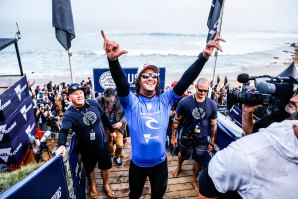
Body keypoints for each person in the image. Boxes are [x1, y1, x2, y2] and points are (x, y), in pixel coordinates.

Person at [101, 29, 224, 199]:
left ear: (157, 80)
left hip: (160, 164)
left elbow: (185, 80)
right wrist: (113, 61)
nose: (150, 78)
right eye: (145, 75)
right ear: (138, 80)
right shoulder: (131, 102)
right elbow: (121, 84)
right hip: (137, 165)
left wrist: (203, 56)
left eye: (154, 75)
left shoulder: (165, 100)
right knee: (134, 196)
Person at [198, 92, 298, 199]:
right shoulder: (244, 154)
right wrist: (246, 113)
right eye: (296, 93)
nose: (293, 100)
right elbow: (251, 132)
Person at [55, 83, 116, 198]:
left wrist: (112, 130)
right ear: (69, 97)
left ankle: (106, 185)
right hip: (86, 148)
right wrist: (62, 145)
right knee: (89, 169)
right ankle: (93, 186)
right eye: (75, 94)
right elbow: (64, 131)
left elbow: (103, 117)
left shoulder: (94, 103)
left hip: (102, 143)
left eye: (81, 93)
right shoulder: (69, 114)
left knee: (106, 166)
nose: (79, 95)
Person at [171, 78, 217, 193]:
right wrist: (173, 136)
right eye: (200, 90)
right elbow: (176, 120)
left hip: (202, 138)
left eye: (205, 91)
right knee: (183, 153)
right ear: (195, 87)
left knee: (199, 159)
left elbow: (213, 124)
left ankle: (193, 179)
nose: (203, 93)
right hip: (187, 135)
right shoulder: (185, 102)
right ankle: (179, 166)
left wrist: (212, 142)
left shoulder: (212, 104)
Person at [98, 87, 126, 167]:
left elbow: (127, 112)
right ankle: (112, 155)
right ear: (104, 97)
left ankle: (117, 156)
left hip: (117, 127)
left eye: (111, 100)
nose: (110, 102)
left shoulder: (121, 100)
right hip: (106, 127)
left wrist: (120, 122)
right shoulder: (99, 100)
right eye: (108, 100)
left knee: (120, 145)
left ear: (115, 96)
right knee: (108, 143)